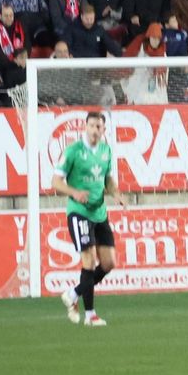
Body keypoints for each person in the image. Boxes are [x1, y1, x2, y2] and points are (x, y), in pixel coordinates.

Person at [55, 110, 126, 328]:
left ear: (104, 130)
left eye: (99, 127)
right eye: (92, 126)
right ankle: (90, 315)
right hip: (79, 213)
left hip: (99, 212)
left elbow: (108, 179)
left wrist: (115, 193)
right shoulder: (73, 151)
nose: (95, 130)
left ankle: (74, 293)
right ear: (85, 127)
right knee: (89, 260)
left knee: (109, 263)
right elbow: (55, 182)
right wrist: (74, 192)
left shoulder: (106, 151)